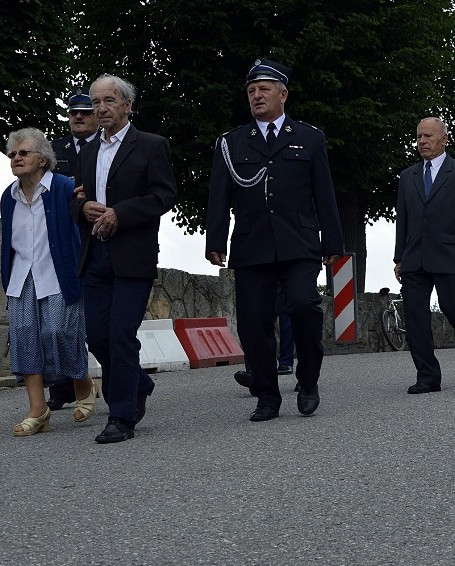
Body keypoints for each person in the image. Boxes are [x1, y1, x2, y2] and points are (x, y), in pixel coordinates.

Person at [206, 58, 344, 420]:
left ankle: (308, 379)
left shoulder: (309, 138)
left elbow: (324, 195)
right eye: (251, 91)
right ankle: (267, 396)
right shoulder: (231, 142)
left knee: (304, 307)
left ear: (283, 94)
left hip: (298, 243)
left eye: (264, 89)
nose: (256, 95)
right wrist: (215, 240)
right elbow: (219, 196)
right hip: (252, 245)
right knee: (254, 322)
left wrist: (332, 243)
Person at [70, 73, 178, 443]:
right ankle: (140, 382)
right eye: (95, 102)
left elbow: (164, 196)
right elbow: (76, 201)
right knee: (98, 337)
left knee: (120, 334)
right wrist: (82, 208)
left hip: (133, 256)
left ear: (127, 105)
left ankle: (121, 416)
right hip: (95, 256)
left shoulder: (151, 145)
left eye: (108, 101)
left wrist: (122, 213)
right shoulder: (86, 152)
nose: (100, 108)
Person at [0, 128, 95, 436]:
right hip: (21, 275)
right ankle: (38, 410)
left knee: (60, 331)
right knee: (26, 335)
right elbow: (9, 242)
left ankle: (82, 382)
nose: (16, 158)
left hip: (57, 272)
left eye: (23, 153)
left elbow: (81, 225)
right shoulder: (8, 196)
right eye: (13, 154)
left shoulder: (64, 187)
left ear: (42, 159)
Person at [393, 117, 455, 394]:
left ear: (444, 139)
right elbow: (404, 219)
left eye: (428, 136)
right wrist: (399, 256)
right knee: (415, 318)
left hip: (450, 254)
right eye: (419, 136)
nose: (422, 141)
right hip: (415, 257)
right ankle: (427, 376)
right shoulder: (408, 176)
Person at [47, 86, 100, 412]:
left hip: (97, 236)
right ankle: (64, 384)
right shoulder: (53, 151)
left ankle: (129, 380)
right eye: (73, 113)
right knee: (59, 315)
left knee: (95, 320)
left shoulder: (109, 146)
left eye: (85, 112)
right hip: (63, 241)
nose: (78, 117)